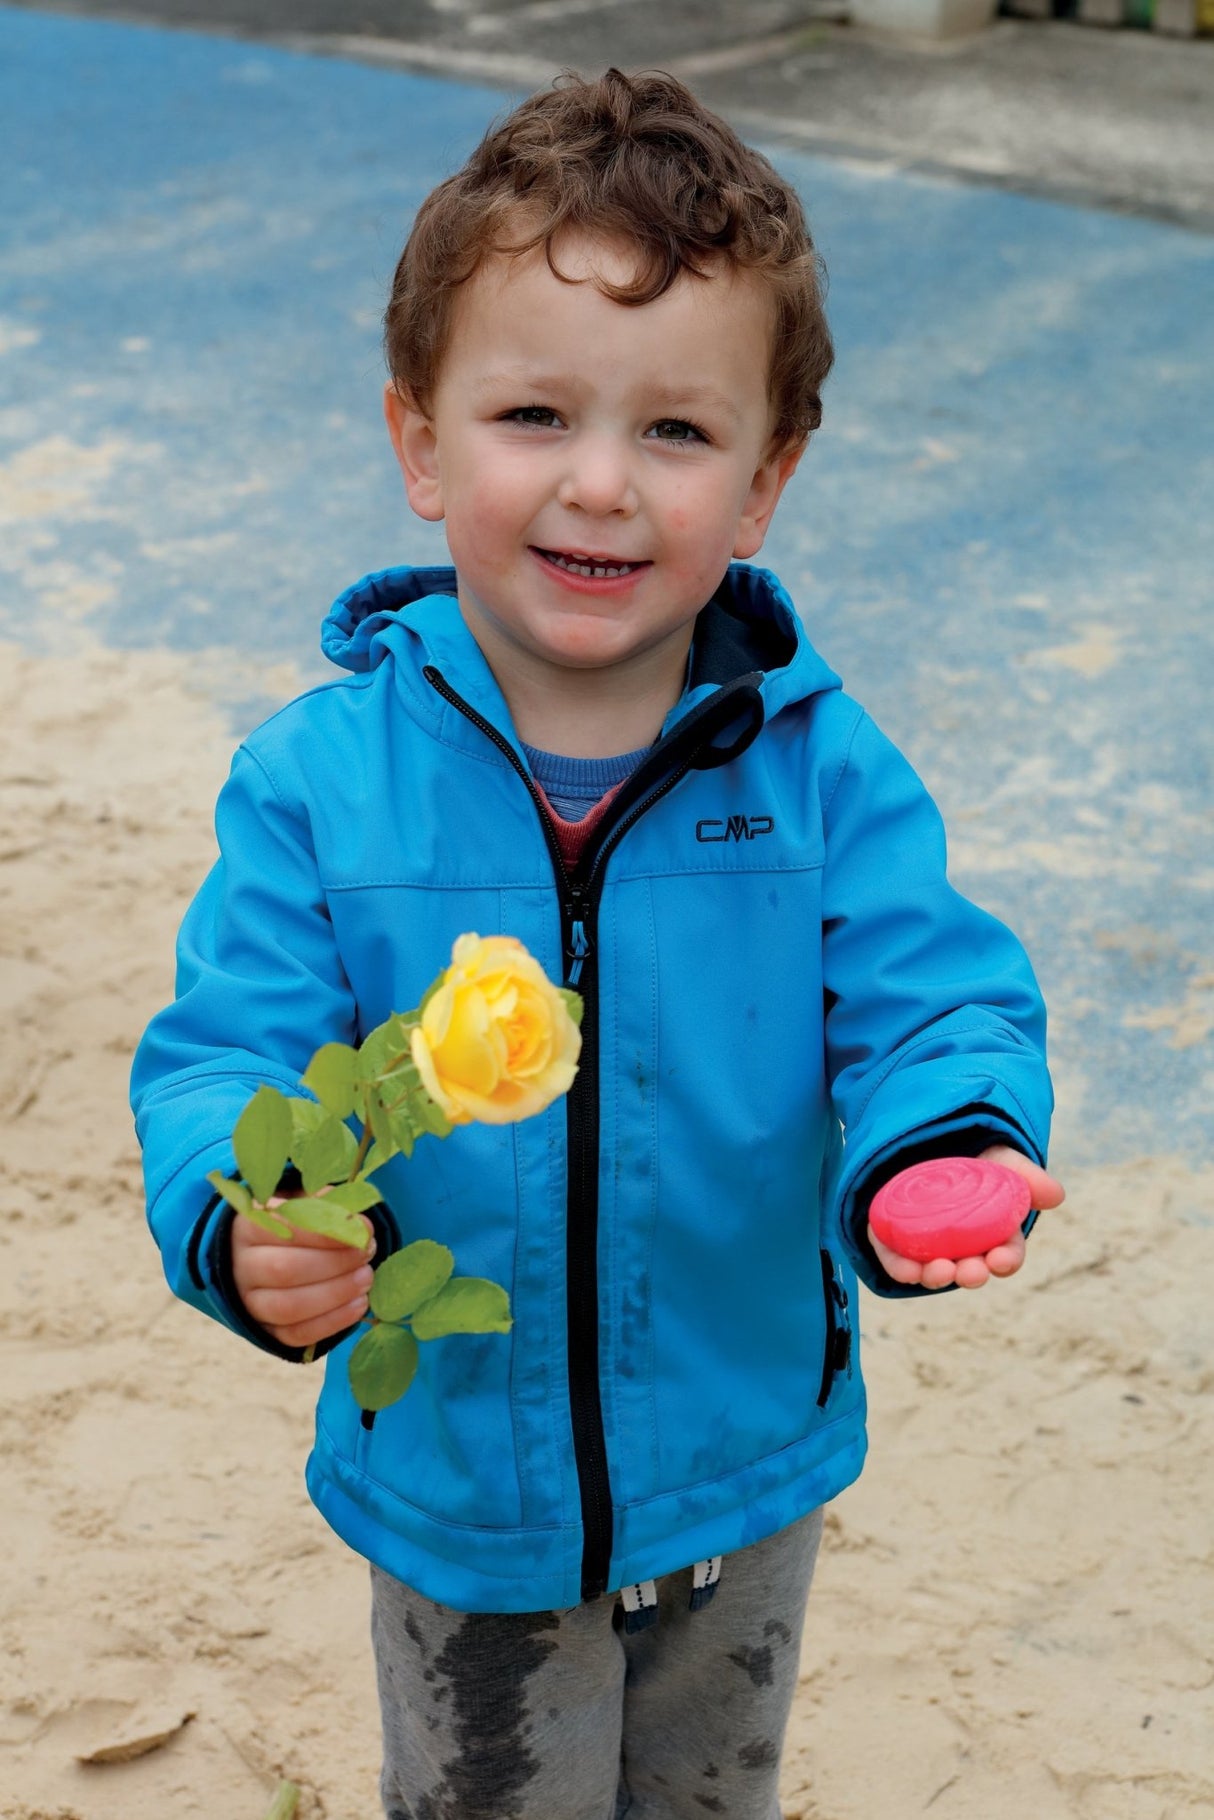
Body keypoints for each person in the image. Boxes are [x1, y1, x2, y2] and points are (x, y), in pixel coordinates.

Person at [131, 67, 1065, 1820]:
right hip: (461, 1479)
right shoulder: (322, 783)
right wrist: (246, 1221)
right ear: (419, 441)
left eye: (678, 433)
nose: (601, 487)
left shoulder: (814, 768)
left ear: (766, 482)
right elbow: (226, 1058)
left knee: (713, 1795)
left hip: (742, 1454)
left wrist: (938, 1140)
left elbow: (931, 993)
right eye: (534, 415)